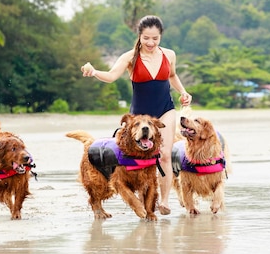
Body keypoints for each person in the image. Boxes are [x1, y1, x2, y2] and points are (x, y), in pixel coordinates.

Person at [80, 15, 192, 215]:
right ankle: (136, 194)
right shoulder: (130, 57)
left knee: (165, 154)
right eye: (146, 38)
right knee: (138, 157)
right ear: (139, 36)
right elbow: (112, 76)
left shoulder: (169, 55)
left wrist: (183, 92)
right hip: (139, 116)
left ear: (160, 37)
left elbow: (172, 75)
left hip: (165, 110)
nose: (150, 43)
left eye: (155, 39)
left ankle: (164, 202)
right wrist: (95, 72)